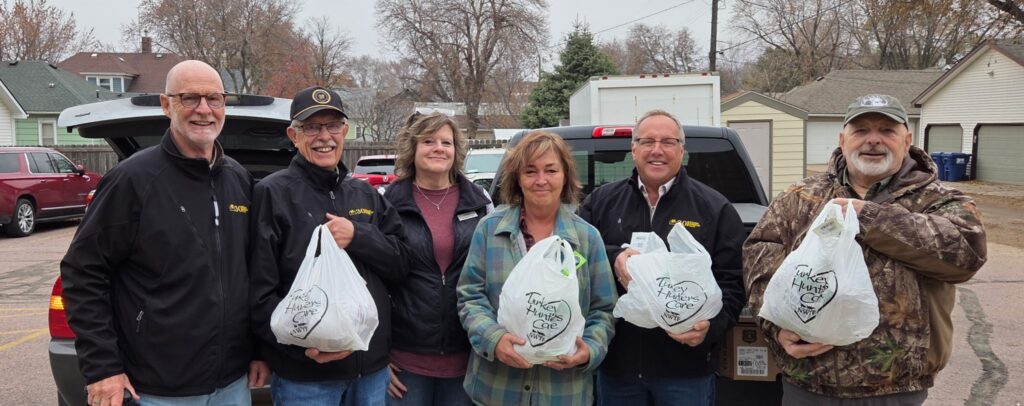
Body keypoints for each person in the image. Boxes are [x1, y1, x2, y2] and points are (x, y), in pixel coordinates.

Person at [744, 94, 987, 405]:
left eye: (887, 130)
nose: (873, 140)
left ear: (907, 139)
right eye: (861, 131)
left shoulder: (940, 201)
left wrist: (868, 217)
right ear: (843, 139)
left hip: (895, 390)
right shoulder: (799, 197)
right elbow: (759, 257)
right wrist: (775, 325)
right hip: (808, 381)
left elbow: (966, 254)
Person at [60, 60, 268, 406]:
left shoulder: (238, 179)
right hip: (156, 388)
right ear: (165, 104)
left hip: (232, 383)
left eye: (214, 99)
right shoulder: (132, 181)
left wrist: (259, 349)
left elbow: (252, 273)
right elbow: (83, 272)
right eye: (190, 98)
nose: (204, 110)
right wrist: (102, 368)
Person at [249, 86, 406, 406]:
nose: (325, 136)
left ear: (345, 130)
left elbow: (402, 263)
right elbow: (258, 290)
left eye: (333, 125)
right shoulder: (272, 194)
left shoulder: (365, 195)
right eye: (312, 127)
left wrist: (359, 237)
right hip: (306, 376)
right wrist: (300, 347)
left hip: (371, 371)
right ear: (293, 135)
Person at [579, 110, 746, 405]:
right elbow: (577, 257)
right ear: (633, 149)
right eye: (647, 141)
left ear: (682, 150)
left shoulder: (714, 208)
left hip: (685, 371)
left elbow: (733, 282)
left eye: (668, 142)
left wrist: (710, 330)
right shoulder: (600, 203)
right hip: (617, 367)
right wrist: (613, 256)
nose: (657, 150)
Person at [456, 130, 617, 406]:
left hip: (563, 394)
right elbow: (470, 296)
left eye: (551, 170)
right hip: (497, 390)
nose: (541, 180)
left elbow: (604, 309)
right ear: (518, 178)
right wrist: (494, 339)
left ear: (565, 175)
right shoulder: (490, 231)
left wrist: (589, 349)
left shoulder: (587, 238)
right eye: (530, 171)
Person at [382, 112, 491, 405]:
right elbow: (371, 280)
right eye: (428, 141)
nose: (439, 148)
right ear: (412, 148)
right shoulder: (387, 203)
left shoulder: (480, 202)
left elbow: (493, 275)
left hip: (467, 358)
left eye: (447, 142)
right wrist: (376, 354)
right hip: (404, 362)